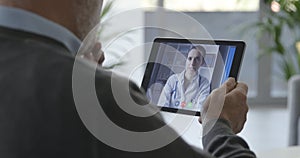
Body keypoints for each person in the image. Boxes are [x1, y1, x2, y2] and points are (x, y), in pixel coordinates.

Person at [0, 0, 256, 158]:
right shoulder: (97, 99)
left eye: (198, 60)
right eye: (190, 58)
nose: (192, 63)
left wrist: (77, 70)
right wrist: (218, 123)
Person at [158, 46, 210, 111]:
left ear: (202, 62)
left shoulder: (204, 83)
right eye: (190, 58)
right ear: (186, 60)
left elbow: (200, 109)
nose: (192, 63)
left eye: (197, 59)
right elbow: (162, 105)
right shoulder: (173, 79)